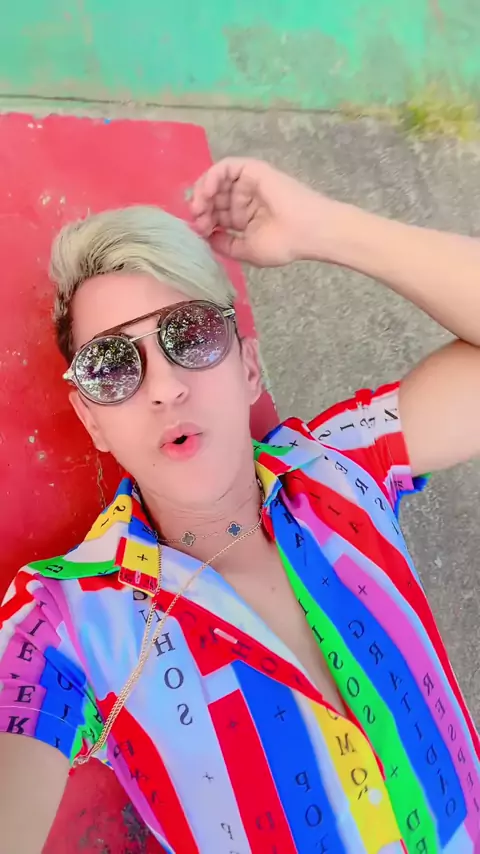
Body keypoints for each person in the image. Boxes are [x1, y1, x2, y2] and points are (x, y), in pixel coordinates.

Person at [0, 156, 479, 854]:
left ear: (248, 368)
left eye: (190, 336)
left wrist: (325, 228)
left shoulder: (341, 463)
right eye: (111, 366)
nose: (164, 388)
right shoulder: (65, 620)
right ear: (91, 420)